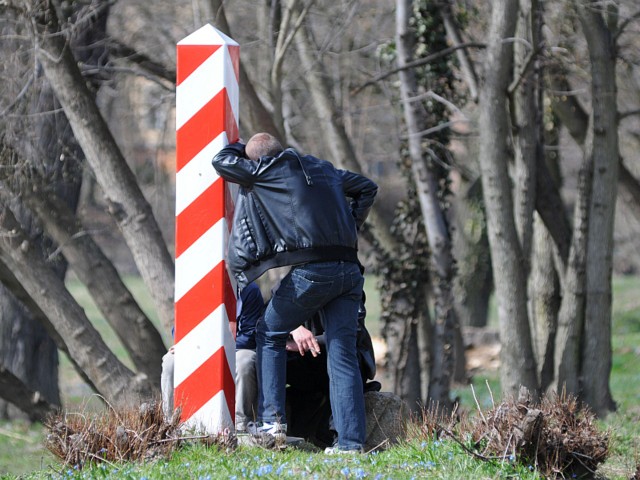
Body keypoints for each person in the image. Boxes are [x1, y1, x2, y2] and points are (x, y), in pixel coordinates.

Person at [212, 132, 378, 453]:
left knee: (269, 331)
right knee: (342, 352)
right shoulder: (323, 169)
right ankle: (351, 444)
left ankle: (272, 425)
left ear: (257, 160)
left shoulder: (267, 169)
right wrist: (348, 226)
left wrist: (238, 144)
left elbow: (222, 162)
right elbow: (367, 187)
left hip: (314, 269)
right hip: (349, 268)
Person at [160, 281, 266, 430]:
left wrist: (216, 347)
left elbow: (249, 336)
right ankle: (170, 424)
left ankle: (241, 423)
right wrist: (189, 344)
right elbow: (180, 328)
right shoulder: (197, 284)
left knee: (245, 361)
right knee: (170, 361)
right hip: (199, 347)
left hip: (237, 348)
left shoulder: (249, 290)